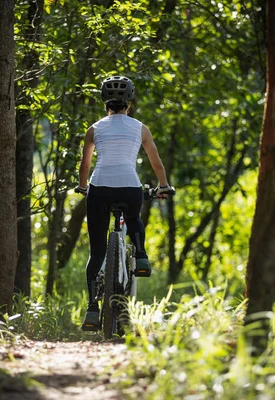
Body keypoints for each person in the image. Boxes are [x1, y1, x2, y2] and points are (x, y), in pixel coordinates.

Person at [76, 75, 173, 331]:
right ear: (129, 103)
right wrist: (163, 185)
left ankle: (92, 310)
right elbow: (156, 162)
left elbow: (85, 165)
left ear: (104, 103)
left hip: (100, 188)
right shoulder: (140, 128)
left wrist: (84, 187)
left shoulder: (94, 129)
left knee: (96, 252)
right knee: (133, 218)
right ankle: (140, 255)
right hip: (129, 187)